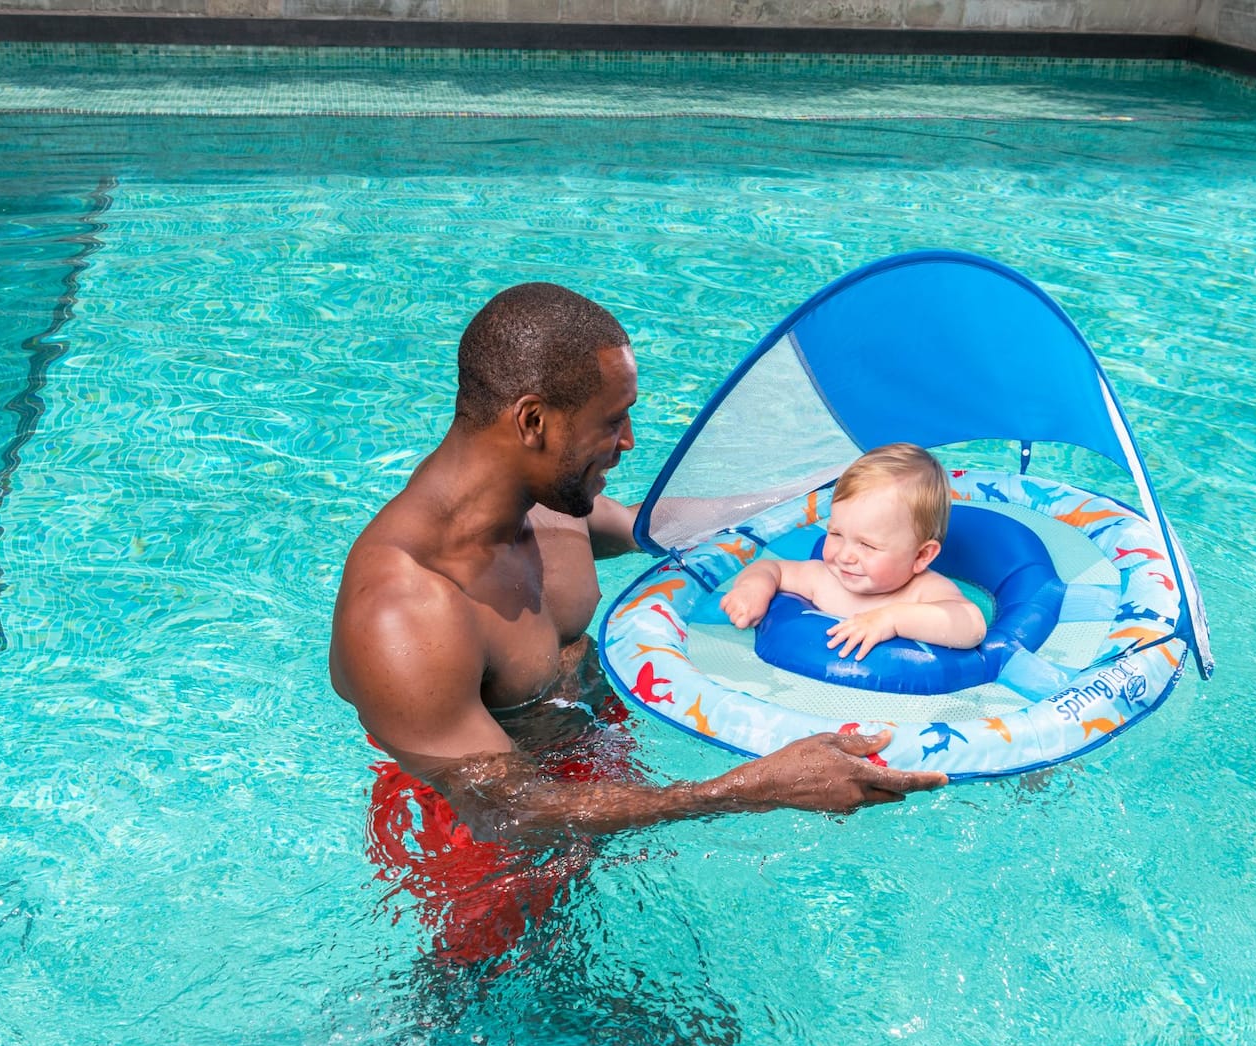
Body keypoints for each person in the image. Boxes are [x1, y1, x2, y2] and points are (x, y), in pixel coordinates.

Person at [330, 283, 946, 908]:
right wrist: (757, 787)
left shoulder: (549, 504)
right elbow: (507, 810)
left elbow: (649, 526)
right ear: (533, 421)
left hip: (591, 766)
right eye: (611, 419)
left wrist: (830, 484)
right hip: (484, 850)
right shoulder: (405, 611)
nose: (627, 441)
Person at [719, 443, 987, 660]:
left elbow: (972, 626)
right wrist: (752, 589)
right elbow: (771, 569)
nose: (845, 555)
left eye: (867, 545)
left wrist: (892, 619)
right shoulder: (822, 578)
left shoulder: (923, 592)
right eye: (835, 534)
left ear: (921, 556)